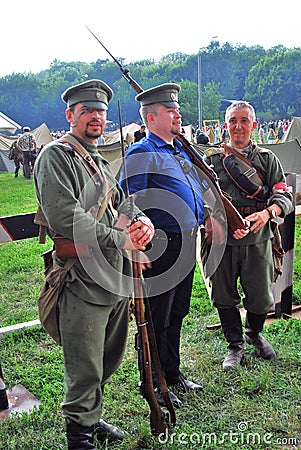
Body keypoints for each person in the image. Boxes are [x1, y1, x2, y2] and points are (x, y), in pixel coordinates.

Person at [34, 79, 154, 449]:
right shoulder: (56, 156)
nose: (96, 117)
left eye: (100, 111)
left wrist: (141, 221)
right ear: (70, 115)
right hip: (80, 279)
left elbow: (121, 205)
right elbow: (66, 217)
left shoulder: (99, 161)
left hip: (112, 278)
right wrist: (121, 238)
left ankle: (91, 416)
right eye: (87, 111)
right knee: (84, 367)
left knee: (107, 359)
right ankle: (80, 435)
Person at [119, 83, 211, 408]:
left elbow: (196, 187)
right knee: (157, 318)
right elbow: (124, 201)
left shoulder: (178, 150)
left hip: (187, 240)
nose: (178, 114)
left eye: (177, 109)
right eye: (171, 110)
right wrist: (139, 234)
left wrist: (208, 214)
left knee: (178, 312)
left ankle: (173, 374)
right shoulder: (141, 153)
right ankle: (154, 382)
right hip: (162, 245)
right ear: (151, 117)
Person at [203, 101, 293, 371]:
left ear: (253, 124)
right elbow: (200, 196)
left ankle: (253, 334)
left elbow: (283, 193)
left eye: (244, 121)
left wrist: (267, 214)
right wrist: (212, 220)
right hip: (222, 239)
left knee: (261, 297)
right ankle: (234, 345)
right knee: (222, 293)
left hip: (258, 236)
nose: (238, 127)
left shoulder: (267, 159)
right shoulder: (212, 160)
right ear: (225, 125)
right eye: (233, 121)